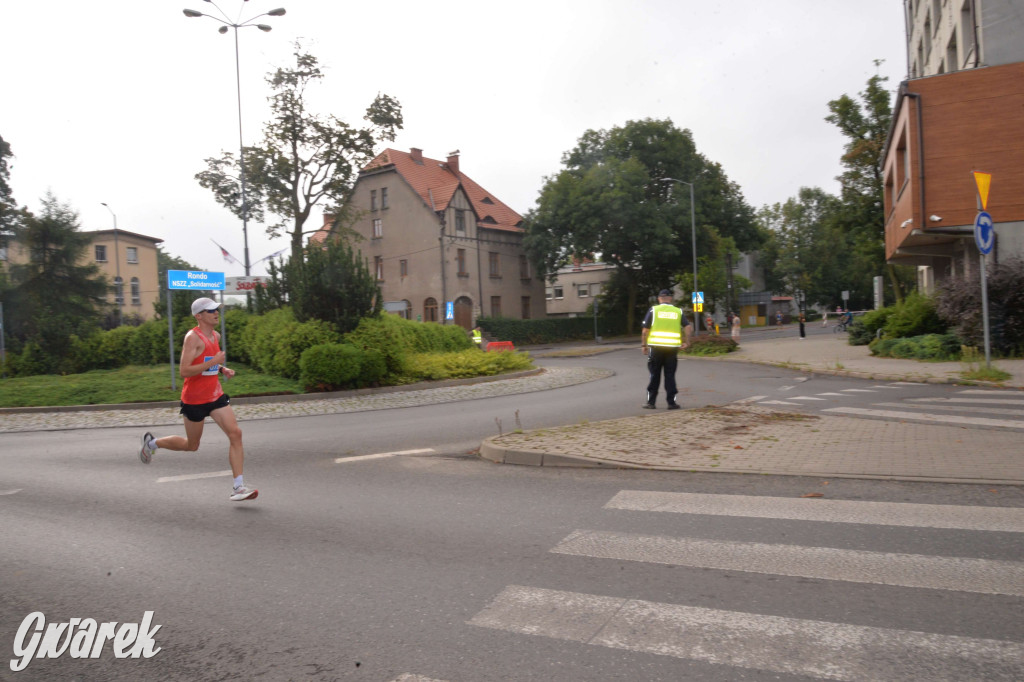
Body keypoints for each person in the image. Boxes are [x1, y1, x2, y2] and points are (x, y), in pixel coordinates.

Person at [138, 297, 257, 502]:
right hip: (194, 400)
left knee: (236, 434)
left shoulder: (215, 335)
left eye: (216, 309)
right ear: (199, 316)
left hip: (215, 396)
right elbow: (185, 371)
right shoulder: (192, 338)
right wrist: (215, 362)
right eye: (211, 310)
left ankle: (238, 487)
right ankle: (152, 443)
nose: (216, 313)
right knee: (192, 445)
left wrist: (221, 368)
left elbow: (207, 361)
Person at [640, 289, 692, 410]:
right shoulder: (678, 311)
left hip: (656, 348)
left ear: (659, 299)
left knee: (654, 375)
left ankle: (651, 402)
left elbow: (645, 330)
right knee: (670, 376)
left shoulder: (654, 310)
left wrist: (644, 345)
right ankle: (671, 403)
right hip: (672, 349)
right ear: (670, 298)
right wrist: (687, 342)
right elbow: (688, 326)